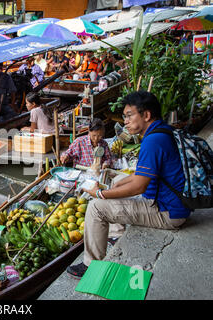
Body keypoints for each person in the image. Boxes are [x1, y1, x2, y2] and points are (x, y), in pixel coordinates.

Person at [66, 91, 190, 279]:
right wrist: (113, 186)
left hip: (167, 212)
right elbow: (137, 177)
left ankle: (90, 265)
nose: (125, 121)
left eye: (130, 115)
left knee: (95, 207)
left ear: (146, 115)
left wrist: (101, 194)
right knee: (115, 181)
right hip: (169, 202)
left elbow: (139, 186)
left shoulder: (153, 141)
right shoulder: (161, 131)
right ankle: (115, 233)